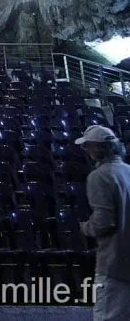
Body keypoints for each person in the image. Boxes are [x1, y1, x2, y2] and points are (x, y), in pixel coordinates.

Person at [76, 125, 130, 320]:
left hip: (114, 261)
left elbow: (103, 222)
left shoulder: (99, 177)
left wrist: (85, 227)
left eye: (88, 146)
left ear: (98, 149)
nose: (87, 151)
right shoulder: (127, 171)